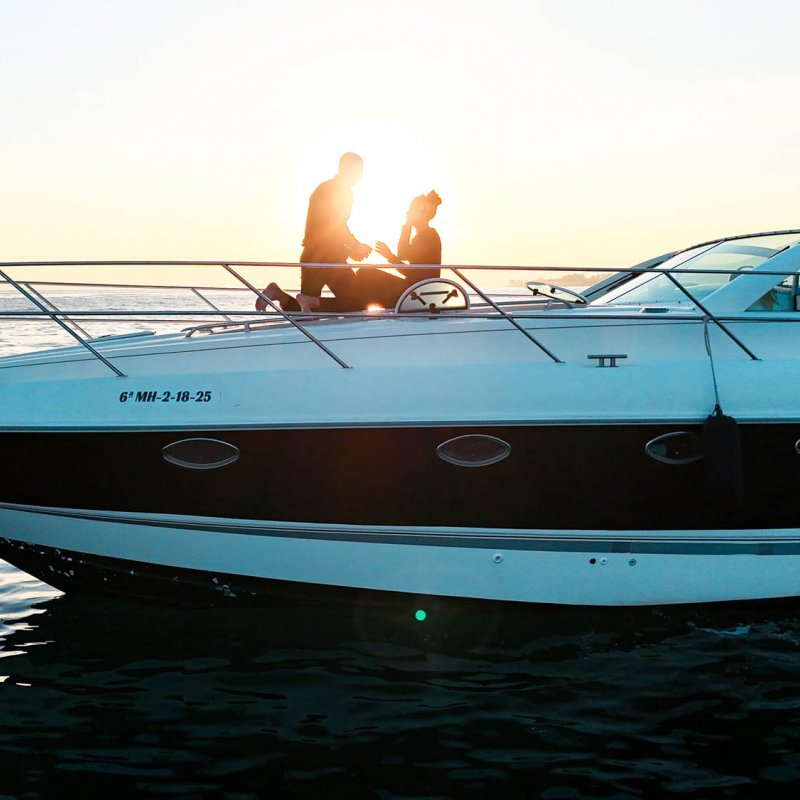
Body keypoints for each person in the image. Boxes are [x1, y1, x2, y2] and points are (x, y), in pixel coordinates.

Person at [262, 190, 442, 313]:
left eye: (411, 210)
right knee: (356, 299)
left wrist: (392, 254)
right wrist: (403, 235)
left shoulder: (429, 237)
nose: (407, 212)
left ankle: (289, 299)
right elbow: (405, 257)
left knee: (359, 296)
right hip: (412, 292)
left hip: (418, 295)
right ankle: (303, 301)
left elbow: (413, 270)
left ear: (422, 213)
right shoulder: (422, 237)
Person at [256, 152, 371, 311]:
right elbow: (336, 223)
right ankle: (303, 300)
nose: (360, 176)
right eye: (359, 171)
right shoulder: (342, 191)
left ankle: (278, 294)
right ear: (347, 169)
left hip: (311, 256)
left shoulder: (324, 188)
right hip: (329, 258)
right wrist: (355, 246)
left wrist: (350, 248)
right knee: (358, 303)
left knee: (306, 309)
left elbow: (326, 226)